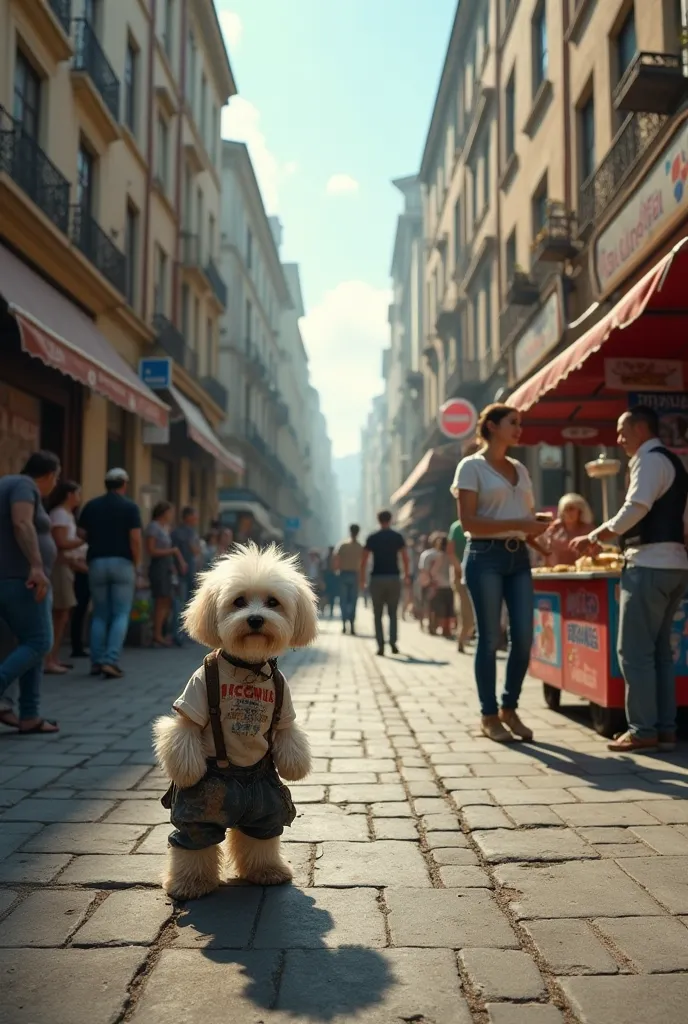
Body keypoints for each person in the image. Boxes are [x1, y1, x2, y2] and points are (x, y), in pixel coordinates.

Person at [572, 405, 688, 753]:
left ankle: (642, 730)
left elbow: (635, 507)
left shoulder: (649, 460)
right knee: (660, 653)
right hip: (675, 564)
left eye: (623, 431)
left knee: (634, 652)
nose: (619, 439)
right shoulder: (674, 463)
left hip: (649, 564)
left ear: (640, 429)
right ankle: (665, 729)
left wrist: (595, 536)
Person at [454, 404, 549, 743]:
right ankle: (489, 714)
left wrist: (542, 540)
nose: (519, 428)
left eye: (520, 423)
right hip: (484, 556)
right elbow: (469, 522)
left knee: (523, 636)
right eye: (513, 422)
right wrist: (520, 524)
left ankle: (510, 707)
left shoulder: (521, 469)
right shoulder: (471, 467)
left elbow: (525, 517)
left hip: (519, 556)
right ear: (491, 427)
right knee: (490, 637)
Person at [0, 450, 60, 734]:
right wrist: (36, 566)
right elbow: (22, 521)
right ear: (49, 475)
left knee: (29, 642)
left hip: (9, 578)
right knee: (39, 642)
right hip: (22, 579)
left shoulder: (6, 484)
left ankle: (30, 715)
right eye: (55, 479)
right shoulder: (25, 486)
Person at [78, 468, 142, 679]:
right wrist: (137, 564)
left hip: (96, 563)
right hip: (122, 563)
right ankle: (110, 660)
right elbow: (135, 539)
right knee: (120, 613)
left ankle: (96, 661)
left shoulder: (92, 506)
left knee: (99, 613)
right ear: (124, 483)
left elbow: (81, 534)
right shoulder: (130, 507)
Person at [44, 481, 84, 674]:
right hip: (60, 566)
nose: (79, 497)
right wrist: (84, 539)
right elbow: (60, 541)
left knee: (62, 613)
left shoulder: (66, 514)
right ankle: (48, 658)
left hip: (68, 566)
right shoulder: (59, 513)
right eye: (77, 493)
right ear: (69, 494)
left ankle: (53, 656)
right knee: (59, 613)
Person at [360, 510, 410, 656]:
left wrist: (362, 580)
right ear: (391, 519)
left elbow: (364, 561)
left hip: (376, 578)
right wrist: (406, 575)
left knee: (377, 614)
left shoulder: (372, 538)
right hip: (394, 577)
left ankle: (380, 645)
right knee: (393, 613)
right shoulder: (397, 537)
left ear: (378, 520)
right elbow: (405, 558)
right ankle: (393, 643)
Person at [145, 501, 187, 648]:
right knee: (160, 599)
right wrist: (172, 551)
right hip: (158, 567)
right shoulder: (154, 527)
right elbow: (151, 550)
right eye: (170, 512)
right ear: (163, 513)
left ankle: (160, 632)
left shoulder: (165, 528)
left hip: (166, 567)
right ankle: (156, 634)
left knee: (166, 600)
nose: (172, 515)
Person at [171, 506, 201, 645]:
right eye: (194, 515)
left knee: (184, 602)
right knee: (183, 602)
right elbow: (194, 550)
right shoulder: (184, 533)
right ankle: (180, 634)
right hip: (183, 572)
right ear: (188, 516)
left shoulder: (180, 532)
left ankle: (183, 633)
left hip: (188, 572)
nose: (196, 518)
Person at [542, 493, 594, 567]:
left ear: (579, 511)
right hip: (556, 572)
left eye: (572, 509)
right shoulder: (554, 529)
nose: (569, 513)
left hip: (581, 572)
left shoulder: (587, 529)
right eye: (566, 509)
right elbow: (544, 552)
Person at [447, 516, 475, 653]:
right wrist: (461, 568)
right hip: (460, 575)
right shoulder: (457, 527)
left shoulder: (479, 522)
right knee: (466, 612)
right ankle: (461, 638)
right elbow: (450, 552)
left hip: (477, 572)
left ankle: (465, 636)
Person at [334, 524, 364, 634]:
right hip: (355, 575)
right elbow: (363, 564)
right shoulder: (360, 547)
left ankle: (343, 625)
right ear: (358, 532)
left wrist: (337, 570)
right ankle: (351, 625)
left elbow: (336, 560)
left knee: (343, 601)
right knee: (353, 601)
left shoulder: (342, 545)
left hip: (343, 575)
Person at [427, 533, 454, 639]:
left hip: (440, 585)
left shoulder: (439, 556)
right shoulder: (450, 555)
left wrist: (434, 580)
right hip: (448, 585)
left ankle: (442, 628)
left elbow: (433, 571)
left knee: (440, 609)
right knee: (448, 608)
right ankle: (446, 630)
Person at [322, 546, 339, 619]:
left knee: (330, 595)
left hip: (331, 578)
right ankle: (325, 609)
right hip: (329, 578)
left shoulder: (330, 558)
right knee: (328, 595)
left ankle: (329, 610)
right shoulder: (328, 559)